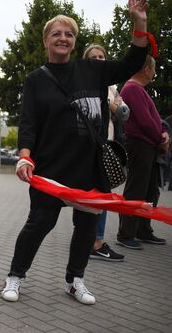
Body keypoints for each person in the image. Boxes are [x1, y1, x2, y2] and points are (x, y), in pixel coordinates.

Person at [2, 0, 149, 306]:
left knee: (85, 226)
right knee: (40, 222)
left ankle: (75, 280)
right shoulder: (35, 80)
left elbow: (132, 62)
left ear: (74, 41)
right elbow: (28, 123)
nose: (63, 38)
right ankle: (15, 276)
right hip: (52, 166)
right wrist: (25, 156)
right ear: (46, 41)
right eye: (56, 33)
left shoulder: (92, 70)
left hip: (89, 166)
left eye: (69, 34)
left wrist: (139, 23)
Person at [116, 55, 168, 249]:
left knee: (149, 190)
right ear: (147, 69)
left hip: (148, 144)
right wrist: (160, 138)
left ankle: (143, 229)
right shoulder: (132, 88)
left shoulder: (137, 89)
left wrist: (160, 137)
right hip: (141, 144)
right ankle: (126, 233)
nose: (154, 73)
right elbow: (145, 121)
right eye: (153, 69)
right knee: (136, 189)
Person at [83, 44, 126, 262]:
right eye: (93, 57)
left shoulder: (111, 85)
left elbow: (124, 113)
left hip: (107, 146)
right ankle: (94, 242)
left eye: (102, 57)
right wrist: (111, 105)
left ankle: (94, 240)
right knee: (96, 195)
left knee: (103, 196)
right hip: (89, 148)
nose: (99, 60)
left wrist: (117, 107)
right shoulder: (83, 83)